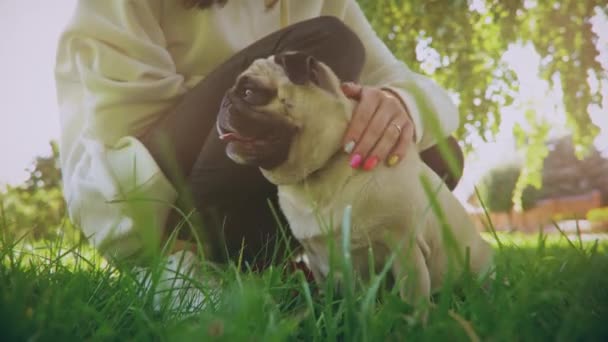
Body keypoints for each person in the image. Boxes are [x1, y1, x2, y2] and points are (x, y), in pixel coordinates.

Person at [55, 0, 463, 308]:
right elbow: (130, 136)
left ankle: (303, 270)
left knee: (432, 155)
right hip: (147, 203)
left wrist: (397, 104)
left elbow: (413, 89)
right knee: (329, 43)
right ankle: (185, 271)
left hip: (258, 175)